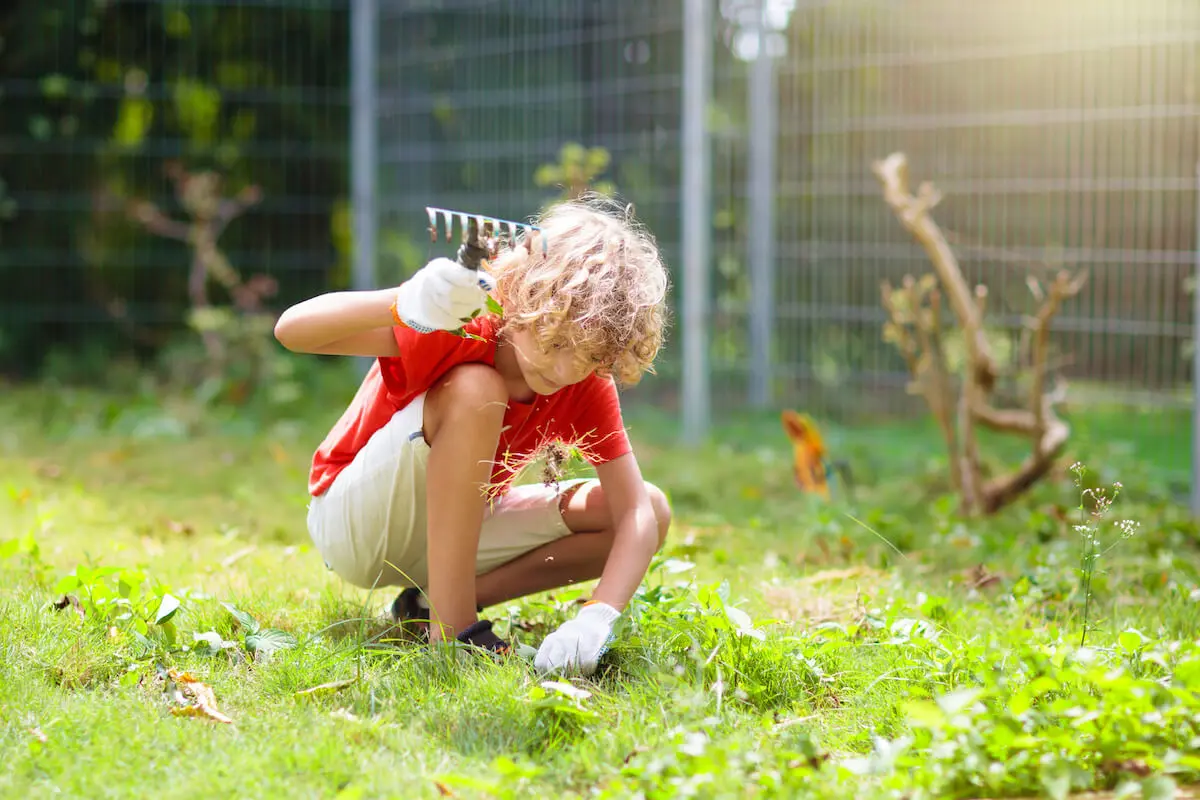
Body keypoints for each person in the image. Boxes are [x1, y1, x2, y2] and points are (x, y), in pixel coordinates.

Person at [273, 194, 673, 675]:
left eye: (587, 355)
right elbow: (292, 330)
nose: (566, 369)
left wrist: (598, 614)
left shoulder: (584, 385)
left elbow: (633, 513)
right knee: (478, 388)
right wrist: (405, 303)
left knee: (652, 508)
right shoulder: (461, 322)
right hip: (358, 526)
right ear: (522, 296)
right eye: (557, 340)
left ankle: (426, 609)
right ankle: (456, 634)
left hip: (453, 537)